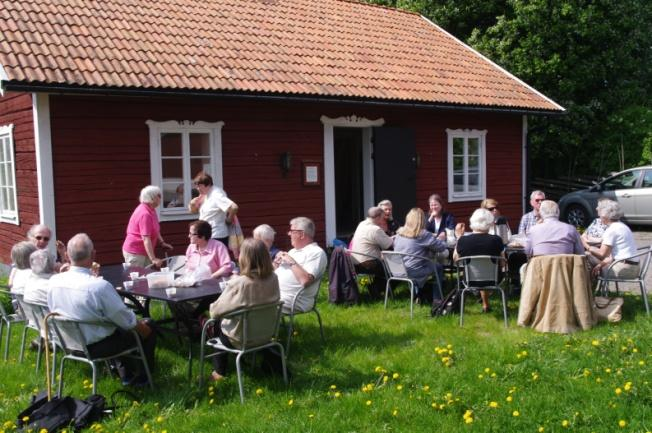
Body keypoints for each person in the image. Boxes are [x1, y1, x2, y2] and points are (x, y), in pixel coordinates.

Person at [48, 233, 156, 386]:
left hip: (68, 342)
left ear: (66, 255)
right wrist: (143, 327)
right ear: (93, 255)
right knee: (147, 324)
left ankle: (126, 373)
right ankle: (142, 378)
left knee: (116, 326)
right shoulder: (99, 286)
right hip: (96, 347)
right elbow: (125, 319)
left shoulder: (53, 281)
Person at [207, 238, 282, 381]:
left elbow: (215, 311)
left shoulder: (240, 283)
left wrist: (231, 284)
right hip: (267, 334)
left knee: (217, 324)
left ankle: (219, 372)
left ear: (244, 258)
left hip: (242, 339)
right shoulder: (273, 277)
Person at [453, 208, 505, 313]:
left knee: (478, 272)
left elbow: (455, 260)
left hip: (469, 279)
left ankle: (484, 302)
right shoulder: (497, 240)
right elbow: (503, 262)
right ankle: (486, 303)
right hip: (494, 279)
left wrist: (459, 238)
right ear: (490, 223)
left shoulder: (463, 240)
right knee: (490, 271)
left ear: (472, 222)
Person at [273, 217, 327, 313]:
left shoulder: (316, 252)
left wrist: (290, 260)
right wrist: (275, 264)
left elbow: (305, 281)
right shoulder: (293, 251)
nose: (289, 234)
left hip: (294, 300)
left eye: (292, 231)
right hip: (274, 293)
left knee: (250, 303)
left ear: (301, 234)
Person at [393, 208, 447, 302]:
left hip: (397, 270)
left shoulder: (399, 233)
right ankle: (437, 299)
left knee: (419, 262)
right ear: (422, 220)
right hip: (414, 271)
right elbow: (441, 248)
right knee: (438, 267)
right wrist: (441, 239)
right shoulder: (423, 235)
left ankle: (418, 294)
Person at [582, 199, 639, 278]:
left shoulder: (612, 230)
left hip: (624, 269)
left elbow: (602, 254)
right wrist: (600, 265)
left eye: (600, 216)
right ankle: (595, 288)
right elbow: (612, 256)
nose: (599, 218)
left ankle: (587, 288)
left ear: (604, 216)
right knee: (591, 260)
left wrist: (585, 244)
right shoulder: (622, 226)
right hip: (633, 267)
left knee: (586, 257)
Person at [122, 185, 173, 268]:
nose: (161, 198)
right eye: (159, 195)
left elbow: (155, 229)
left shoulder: (151, 210)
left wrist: (162, 242)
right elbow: (146, 238)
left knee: (147, 277)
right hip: (136, 253)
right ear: (152, 198)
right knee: (138, 279)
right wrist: (153, 259)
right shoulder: (145, 214)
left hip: (143, 251)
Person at [350, 207, 394, 298]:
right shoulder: (375, 229)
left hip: (355, 263)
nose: (383, 220)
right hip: (368, 264)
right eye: (382, 218)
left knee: (385, 264)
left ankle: (375, 288)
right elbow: (389, 245)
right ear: (377, 217)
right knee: (395, 268)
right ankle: (378, 288)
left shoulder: (361, 224)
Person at [188, 172, 238, 247]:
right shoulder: (204, 194)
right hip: (206, 235)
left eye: (199, 186)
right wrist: (192, 204)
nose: (197, 188)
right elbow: (193, 211)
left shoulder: (216, 194)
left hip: (216, 236)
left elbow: (234, 207)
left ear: (207, 184)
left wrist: (229, 220)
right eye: (196, 186)